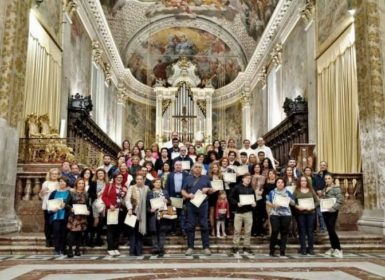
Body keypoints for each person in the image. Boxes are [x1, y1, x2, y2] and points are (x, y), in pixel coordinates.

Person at [181, 163, 212, 256]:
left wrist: (208, 189)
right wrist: (187, 195)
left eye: (200, 167)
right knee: (190, 226)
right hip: (191, 204)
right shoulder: (187, 178)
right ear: (192, 169)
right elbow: (182, 190)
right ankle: (190, 247)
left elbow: (211, 190)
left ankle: (206, 247)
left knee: (204, 225)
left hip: (203, 204)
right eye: (196, 167)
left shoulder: (206, 178)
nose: (198, 169)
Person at [266, 177, 295, 257]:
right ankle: (272, 249)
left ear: (284, 184)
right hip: (275, 214)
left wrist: (288, 199)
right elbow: (267, 201)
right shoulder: (272, 192)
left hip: (286, 214)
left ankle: (282, 250)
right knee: (275, 230)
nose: (280, 184)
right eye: (278, 182)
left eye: (282, 182)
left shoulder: (288, 192)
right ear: (276, 183)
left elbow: (293, 203)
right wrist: (272, 205)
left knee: (284, 232)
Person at [229, 173, 256, 256]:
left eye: (250, 178)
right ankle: (235, 247)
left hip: (248, 212)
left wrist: (254, 204)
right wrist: (237, 203)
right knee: (237, 230)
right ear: (243, 179)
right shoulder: (237, 187)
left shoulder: (251, 189)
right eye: (247, 178)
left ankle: (246, 247)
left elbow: (254, 200)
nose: (248, 180)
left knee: (248, 231)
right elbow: (230, 197)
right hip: (238, 212)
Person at [101, 173, 128, 256]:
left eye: (121, 177)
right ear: (114, 178)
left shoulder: (124, 187)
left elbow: (126, 199)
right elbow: (104, 197)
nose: (119, 179)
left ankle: (116, 247)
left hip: (121, 211)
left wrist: (126, 192)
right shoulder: (109, 186)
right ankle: (110, 248)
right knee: (111, 230)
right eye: (117, 177)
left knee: (118, 230)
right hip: (112, 210)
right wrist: (109, 205)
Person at [294, 176, 319, 255]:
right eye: (302, 181)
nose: (303, 182)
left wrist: (313, 206)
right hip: (301, 214)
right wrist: (297, 206)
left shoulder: (311, 190)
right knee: (302, 231)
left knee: (310, 231)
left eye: (305, 181)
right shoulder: (296, 191)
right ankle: (303, 248)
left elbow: (317, 202)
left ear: (307, 182)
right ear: (299, 182)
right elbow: (291, 201)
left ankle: (311, 248)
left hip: (311, 213)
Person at [126, 174, 150, 256]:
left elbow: (150, 199)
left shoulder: (147, 188)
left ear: (143, 180)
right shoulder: (132, 187)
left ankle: (139, 250)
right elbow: (127, 199)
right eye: (137, 179)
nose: (139, 180)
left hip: (143, 214)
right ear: (135, 180)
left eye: (141, 179)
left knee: (140, 232)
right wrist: (129, 209)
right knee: (132, 232)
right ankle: (132, 251)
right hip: (133, 212)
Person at [147, 178, 171, 257]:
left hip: (163, 214)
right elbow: (147, 205)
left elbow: (170, 202)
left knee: (162, 231)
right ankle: (155, 248)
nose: (158, 183)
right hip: (153, 215)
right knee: (154, 231)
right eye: (156, 182)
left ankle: (161, 248)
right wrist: (150, 210)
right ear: (153, 184)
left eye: (159, 182)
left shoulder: (165, 192)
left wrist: (167, 201)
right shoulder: (150, 193)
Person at [322, 173, 344, 258]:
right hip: (325, 211)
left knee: (331, 229)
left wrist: (334, 208)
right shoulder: (325, 189)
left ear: (332, 179)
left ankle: (338, 249)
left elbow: (340, 200)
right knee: (329, 230)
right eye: (326, 179)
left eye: (328, 178)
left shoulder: (336, 189)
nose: (327, 180)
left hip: (332, 211)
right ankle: (333, 247)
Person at [48, 176, 71, 255]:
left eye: (63, 182)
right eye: (60, 181)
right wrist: (51, 209)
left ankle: (63, 249)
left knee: (64, 233)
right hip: (55, 215)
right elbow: (49, 203)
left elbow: (71, 204)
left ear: (66, 183)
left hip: (65, 215)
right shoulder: (54, 192)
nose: (62, 183)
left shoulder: (69, 193)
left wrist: (66, 205)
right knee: (56, 232)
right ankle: (57, 249)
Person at [67, 178, 89, 258]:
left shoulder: (86, 194)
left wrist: (88, 210)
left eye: (82, 183)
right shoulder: (71, 193)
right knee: (72, 233)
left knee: (80, 233)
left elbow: (87, 205)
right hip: (74, 216)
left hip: (82, 215)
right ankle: (69, 249)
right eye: (79, 183)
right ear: (76, 184)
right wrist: (71, 208)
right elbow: (66, 204)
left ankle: (77, 249)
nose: (81, 185)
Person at [165, 161, 189, 235]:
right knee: (172, 215)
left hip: (183, 197)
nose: (178, 166)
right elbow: (166, 187)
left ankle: (183, 230)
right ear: (174, 166)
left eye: (179, 165)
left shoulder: (186, 174)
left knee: (183, 215)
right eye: (176, 165)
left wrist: (186, 195)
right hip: (172, 197)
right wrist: (168, 197)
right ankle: (173, 230)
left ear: (181, 166)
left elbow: (188, 186)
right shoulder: (170, 175)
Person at [39, 168, 60, 247]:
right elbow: (41, 195)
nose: (54, 175)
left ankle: (54, 239)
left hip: (56, 206)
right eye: (52, 174)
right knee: (47, 223)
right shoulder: (45, 183)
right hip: (47, 205)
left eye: (56, 174)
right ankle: (48, 240)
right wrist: (42, 192)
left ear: (58, 175)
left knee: (55, 223)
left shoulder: (59, 183)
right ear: (50, 175)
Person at [89, 168, 108, 247]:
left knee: (101, 221)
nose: (100, 175)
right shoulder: (93, 183)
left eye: (102, 173)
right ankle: (92, 238)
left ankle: (98, 239)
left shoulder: (107, 184)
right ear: (96, 175)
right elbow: (90, 194)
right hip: (95, 203)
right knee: (96, 221)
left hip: (104, 203)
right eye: (99, 173)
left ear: (104, 175)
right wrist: (97, 195)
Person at [208, 162, 223, 236]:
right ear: (211, 169)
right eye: (213, 167)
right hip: (211, 196)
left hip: (219, 196)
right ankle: (213, 229)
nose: (215, 168)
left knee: (219, 213)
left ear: (218, 168)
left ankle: (219, 229)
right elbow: (207, 187)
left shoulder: (221, 176)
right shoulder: (209, 177)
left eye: (216, 167)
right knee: (212, 213)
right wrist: (210, 190)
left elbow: (223, 188)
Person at [251, 163, 266, 236]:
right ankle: (253, 231)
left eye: (258, 167)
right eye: (255, 167)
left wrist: (262, 191)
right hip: (252, 198)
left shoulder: (263, 177)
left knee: (260, 215)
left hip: (260, 197)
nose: (257, 168)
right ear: (253, 168)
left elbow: (264, 187)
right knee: (253, 215)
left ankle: (260, 231)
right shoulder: (251, 177)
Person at [314, 161, 328, 233]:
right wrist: (317, 191)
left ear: (326, 166)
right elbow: (314, 185)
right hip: (317, 196)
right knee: (319, 213)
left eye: (324, 165)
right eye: (321, 165)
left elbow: (329, 184)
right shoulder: (316, 175)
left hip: (326, 196)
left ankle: (324, 228)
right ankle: (321, 228)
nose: (322, 166)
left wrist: (322, 191)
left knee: (325, 213)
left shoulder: (329, 175)